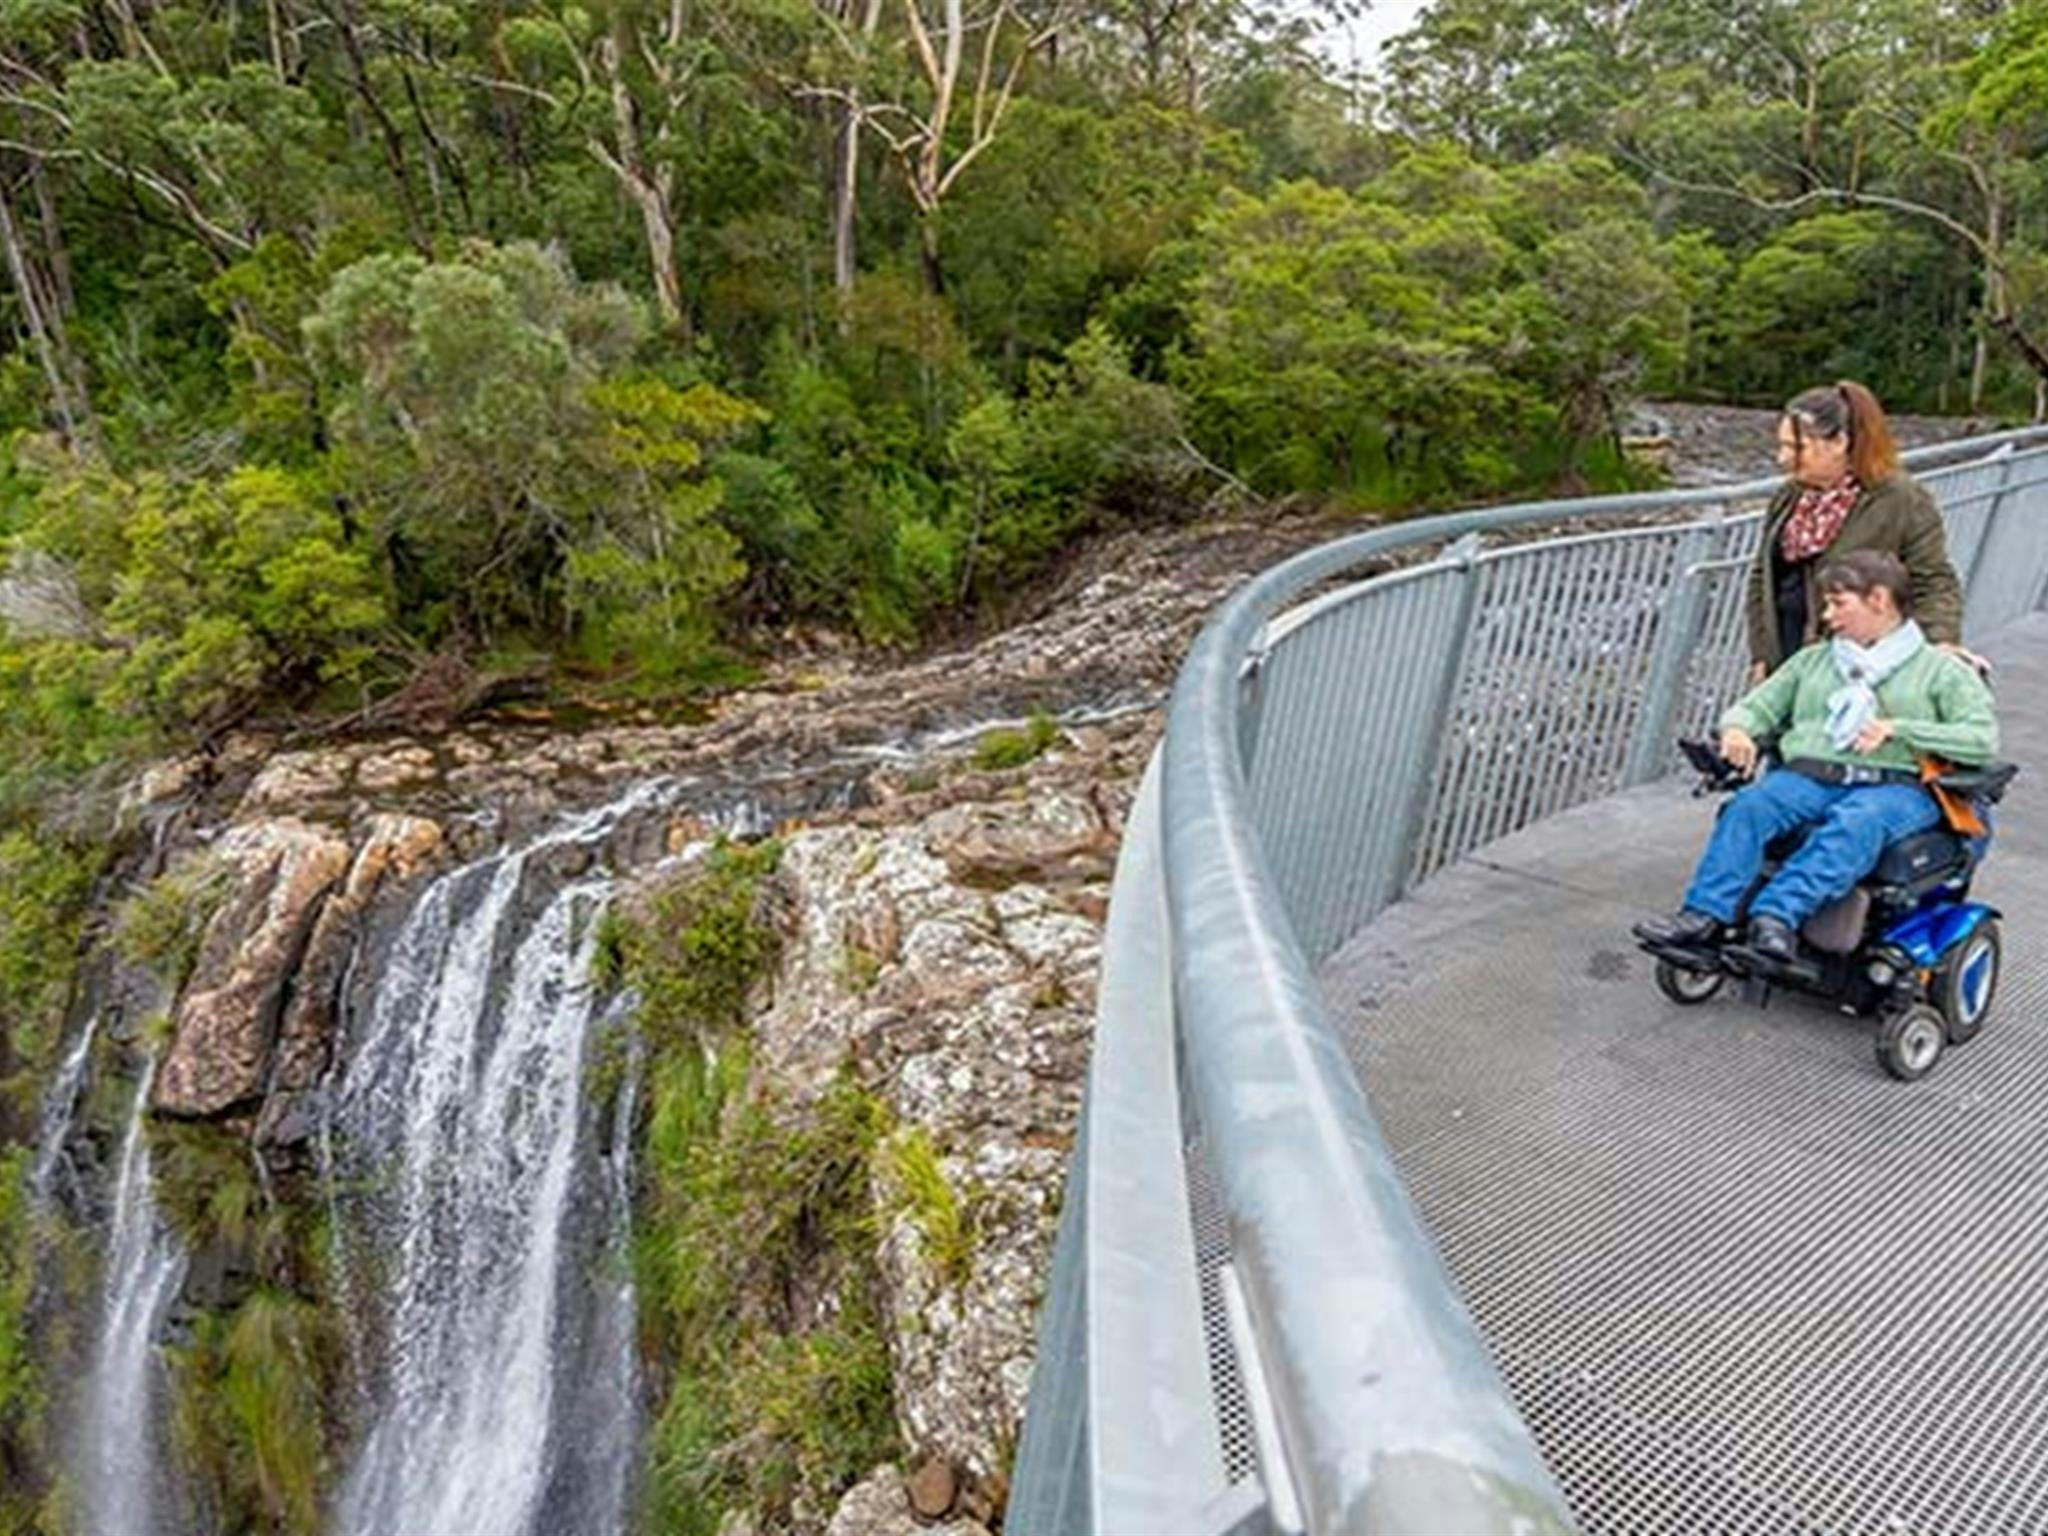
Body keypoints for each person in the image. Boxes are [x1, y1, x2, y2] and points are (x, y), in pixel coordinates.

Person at [1637, 549, 1997, 962]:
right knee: (1751, 805)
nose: (1827, 616)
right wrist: (1738, 730)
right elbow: (1758, 706)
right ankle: (1704, 915)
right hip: (1812, 777)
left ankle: (1775, 917)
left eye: (1838, 603)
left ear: (1879, 600)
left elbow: (1980, 739)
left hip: (1897, 786)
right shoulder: (1814, 661)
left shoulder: (1941, 671)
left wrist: (1898, 729)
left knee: (1857, 822)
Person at [1747, 381, 1966, 686]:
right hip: (1786, 663)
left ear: (1839, 442)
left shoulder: (1901, 499)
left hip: (1858, 672)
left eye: (1796, 447)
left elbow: (1932, 580)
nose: (1782, 458)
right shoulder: (1789, 498)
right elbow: (1763, 577)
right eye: (1782, 446)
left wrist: (1939, 646)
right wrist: (1762, 655)